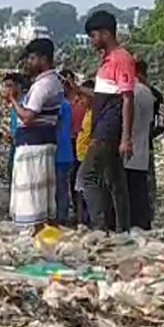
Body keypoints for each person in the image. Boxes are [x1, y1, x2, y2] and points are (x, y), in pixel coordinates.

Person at [74, 11, 137, 232]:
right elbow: (105, 96)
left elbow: (127, 99)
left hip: (107, 130)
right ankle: (121, 229)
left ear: (106, 33)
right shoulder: (108, 62)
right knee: (114, 180)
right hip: (103, 126)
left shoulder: (121, 59)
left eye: (93, 36)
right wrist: (77, 90)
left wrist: (126, 138)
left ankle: (100, 228)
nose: (92, 41)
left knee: (86, 177)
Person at [8, 38, 63, 232]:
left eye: (32, 58)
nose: (29, 63)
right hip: (44, 141)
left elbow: (29, 117)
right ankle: (42, 229)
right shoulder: (54, 82)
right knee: (42, 193)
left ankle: (34, 231)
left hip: (34, 145)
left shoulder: (42, 86)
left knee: (32, 194)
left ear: (43, 58)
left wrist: (13, 101)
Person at [124, 75, 156, 230]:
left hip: (126, 152)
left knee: (128, 193)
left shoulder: (128, 93)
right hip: (141, 150)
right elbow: (151, 122)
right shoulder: (147, 92)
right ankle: (144, 225)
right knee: (140, 192)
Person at [137, 59, 164, 215]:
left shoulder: (154, 96)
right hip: (144, 145)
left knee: (143, 181)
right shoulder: (156, 95)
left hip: (141, 146)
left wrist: (146, 135)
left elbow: (162, 123)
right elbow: (162, 124)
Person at [54, 72, 77, 227]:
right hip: (67, 151)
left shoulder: (60, 105)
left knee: (59, 188)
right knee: (63, 187)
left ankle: (61, 217)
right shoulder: (68, 104)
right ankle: (62, 215)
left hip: (59, 152)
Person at [72, 79, 94, 226]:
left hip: (87, 157)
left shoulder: (95, 113)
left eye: (82, 96)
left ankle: (87, 222)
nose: (79, 99)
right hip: (81, 156)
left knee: (84, 191)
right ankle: (82, 221)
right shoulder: (87, 113)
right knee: (79, 190)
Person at [1, 72, 31, 180]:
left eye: (9, 86)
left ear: (18, 86)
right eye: (5, 86)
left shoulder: (25, 103)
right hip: (13, 144)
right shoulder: (11, 105)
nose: (6, 89)